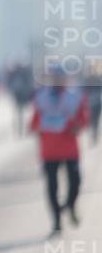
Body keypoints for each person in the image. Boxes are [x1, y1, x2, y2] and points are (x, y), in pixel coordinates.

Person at [30, 69, 89, 236]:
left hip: (70, 148)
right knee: (52, 187)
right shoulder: (41, 97)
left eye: (60, 77)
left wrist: (79, 126)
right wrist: (40, 127)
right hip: (49, 150)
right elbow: (34, 122)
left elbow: (84, 117)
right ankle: (56, 221)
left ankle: (70, 204)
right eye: (54, 77)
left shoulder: (75, 96)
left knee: (75, 182)